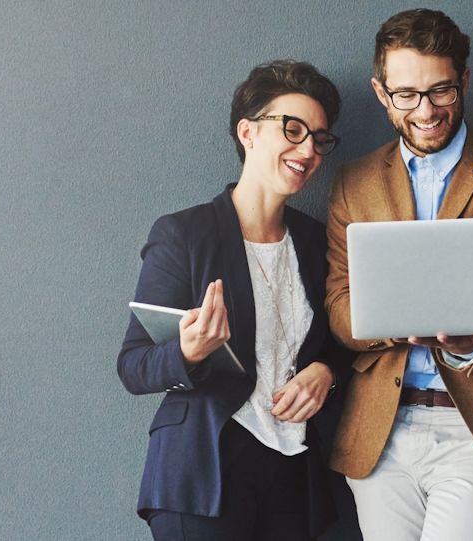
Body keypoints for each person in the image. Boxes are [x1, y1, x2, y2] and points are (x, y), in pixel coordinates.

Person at [323, 9, 473, 541]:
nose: (425, 110)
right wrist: (396, 325)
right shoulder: (352, 182)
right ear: (381, 94)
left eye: (441, 91)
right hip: (380, 430)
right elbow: (338, 303)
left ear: (466, 82)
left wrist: (469, 346)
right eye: (406, 94)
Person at [117, 59, 347, 541]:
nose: (307, 149)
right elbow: (133, 365)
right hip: (203, 472)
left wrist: (325, 373)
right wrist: (188, 351)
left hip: (292, 473)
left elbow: (338, 340)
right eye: (293, 129)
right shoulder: (184, 234)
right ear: (248, 132)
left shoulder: (315, 241)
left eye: (319, 138)